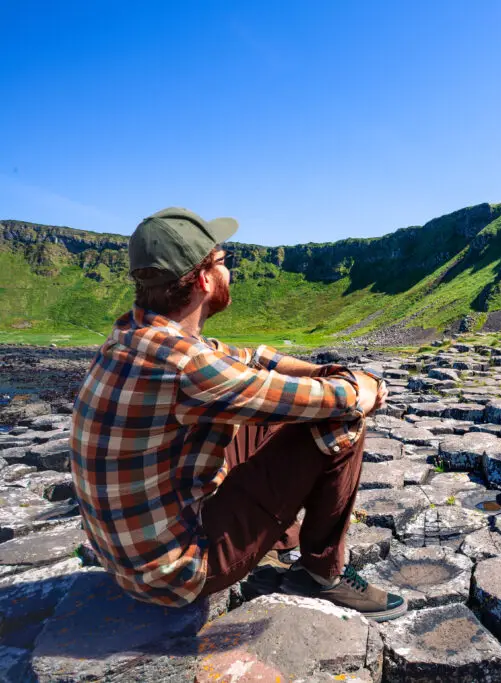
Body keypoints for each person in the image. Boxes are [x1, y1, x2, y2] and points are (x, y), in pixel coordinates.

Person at [70, 208, 406, 621]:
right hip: (178, 573)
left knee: (271, 415)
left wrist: (322, 370)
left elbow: (255, 358)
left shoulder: (136, 335)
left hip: (131, 560)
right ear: (204, 279)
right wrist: (361, 387)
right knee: (341, 422)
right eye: (222, 261)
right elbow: (335, 402)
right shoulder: (186, 366)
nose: (228, 269)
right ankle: (322, 574)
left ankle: (277, 549)